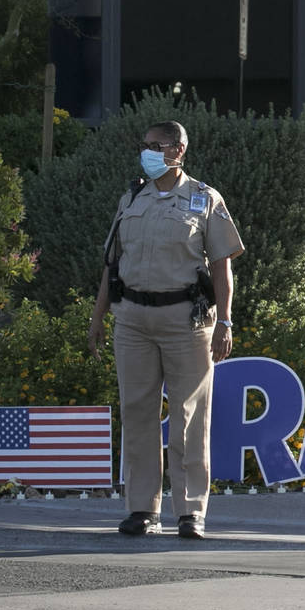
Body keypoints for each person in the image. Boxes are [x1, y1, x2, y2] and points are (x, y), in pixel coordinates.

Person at [88, 121, 244, 540]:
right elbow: (111, 264)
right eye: (145, 145)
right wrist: (98, 316)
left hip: (185, 321)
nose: (148, 152)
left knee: (189, 417)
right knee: (137, 412)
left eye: (157, 146)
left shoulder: (204, 199)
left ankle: (191, 512)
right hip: (133, 319)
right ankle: (142, 509)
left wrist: (226, 321)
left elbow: (222, 268)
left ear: (179, 150)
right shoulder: (132, 197)